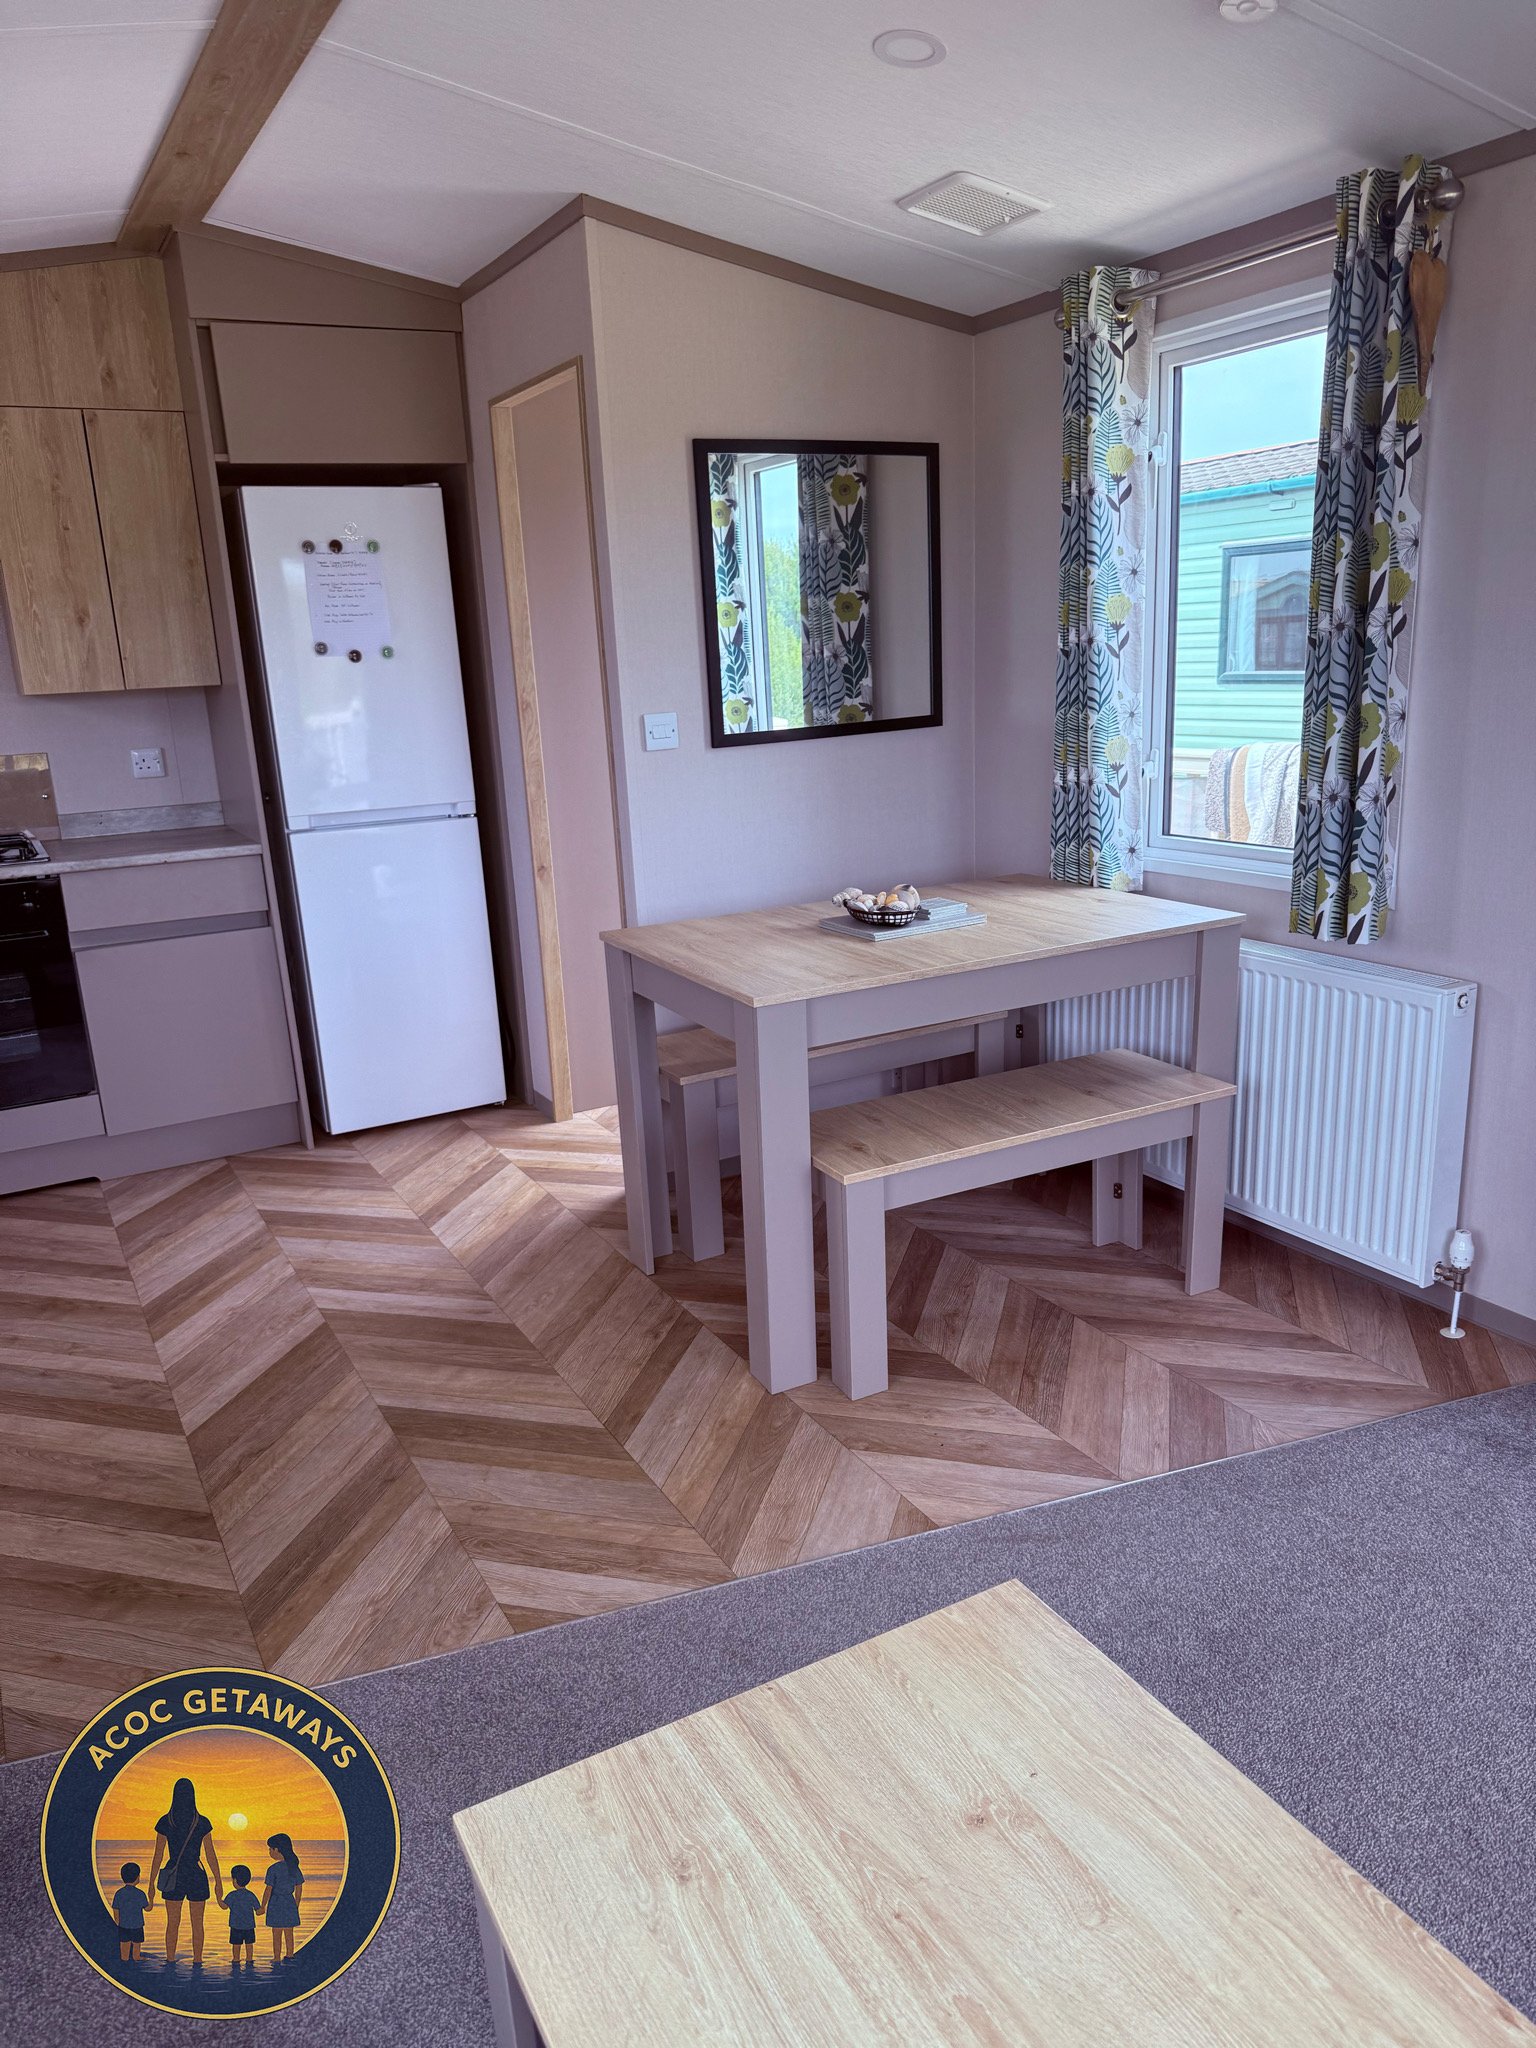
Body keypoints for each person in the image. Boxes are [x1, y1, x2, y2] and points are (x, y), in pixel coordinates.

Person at [146, 1776, 222, 1967]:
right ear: (192, 1796)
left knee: (173, 1923)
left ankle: (170, 1960)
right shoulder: (201, 1822)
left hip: (174, 1875)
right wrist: (218, 1881)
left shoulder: (166, 1821)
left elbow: (158, 1855)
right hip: (196, 1874)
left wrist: (151, 1885)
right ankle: (198, 1961)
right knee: (198, 1924)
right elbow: (210, 1855)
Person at [261, 1834, 303, 1963]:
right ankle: (290, 1954)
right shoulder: (293, 1867)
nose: (269, 1852)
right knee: (289, 1931)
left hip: (276, 1903)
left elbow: (268, 1889)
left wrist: (263, 1906)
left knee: (277, 1932)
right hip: (289, 1902)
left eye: (270, 1849)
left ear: (277, 1850)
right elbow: (299, 1887)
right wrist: (296, 1903)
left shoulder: (273, 1869)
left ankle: (276, 1957)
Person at [111, 1861, 152, 1962]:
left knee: (124, 1944)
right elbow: (147, 1908)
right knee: (137, 1944)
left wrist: (118, 1922)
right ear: (137, 1877)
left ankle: (124, 1958)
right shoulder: (140, 1894)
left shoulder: (119, 1893)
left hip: (124, 1925)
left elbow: (116, 1909)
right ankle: (136, 1957)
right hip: (137, 1925)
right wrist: (151, 1898)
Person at [223, 1864, 260, 1965]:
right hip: (249, 1926)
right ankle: (249, 1960)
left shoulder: (232, 1895)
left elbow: (224, 1906)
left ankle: (236, 1960)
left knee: (236, 1945)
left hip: (236, 1926)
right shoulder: (251, 1895)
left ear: (234, 1880)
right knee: (249, 1944)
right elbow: (258, 1910)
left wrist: (218, 1898)